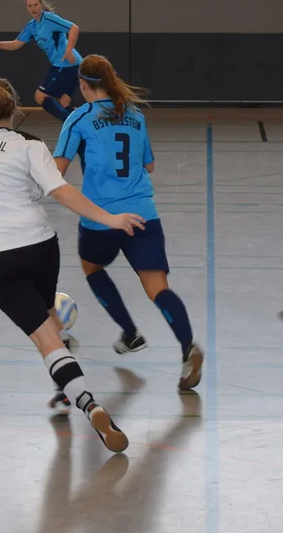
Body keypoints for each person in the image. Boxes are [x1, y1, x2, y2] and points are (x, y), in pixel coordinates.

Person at [0, 75, 145, 453]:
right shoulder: (30, 145)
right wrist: (110, 219)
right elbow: (59, 190)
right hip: (38, 247)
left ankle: (86, 402)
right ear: (16, 108)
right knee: (51, 327)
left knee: (46, 340)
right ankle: (67, 391)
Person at [52, 54, 204, 390]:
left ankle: (130, 332)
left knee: (92, 267)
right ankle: (188, 348)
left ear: (82, 84)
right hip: (143, 215)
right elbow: (149, 165)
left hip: (102, 218)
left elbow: (56, 171)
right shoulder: (134, 114)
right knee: (158, 289)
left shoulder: (79, 118)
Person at [0, 0, 82, 123]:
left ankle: (71, 124)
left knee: (40, 97)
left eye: (36, 5)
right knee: (64, 103)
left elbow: (74, 28)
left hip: (67, 63)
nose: (33, 8)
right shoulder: (32, 26)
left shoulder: (50, 18)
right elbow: (16, 44)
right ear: (27, 8)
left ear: (41, 4)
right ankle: (81, 124)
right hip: (68, 65)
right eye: (30, 6)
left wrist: (68, 51)